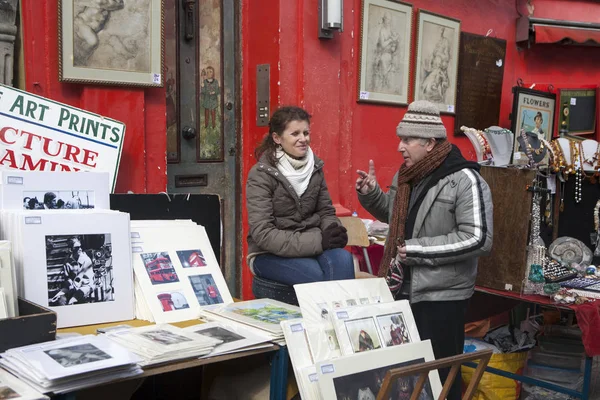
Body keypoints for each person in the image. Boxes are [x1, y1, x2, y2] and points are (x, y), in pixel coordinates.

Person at [355, 100, 493, 400]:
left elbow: (478, 238)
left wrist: (418, 250)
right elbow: (396, 218)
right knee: (407, 380)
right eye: (400, 139)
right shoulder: (407, 176)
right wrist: (371, 194)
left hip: (441, 297)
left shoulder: (465, 179)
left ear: (430, 143)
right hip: (402, 290)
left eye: (407, 140)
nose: (399, 147)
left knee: (441, 380)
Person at [246, 106, 354, 287]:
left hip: (313, 243)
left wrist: (332, 230)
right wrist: (320, 240)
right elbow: (263, 233)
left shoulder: (315, 168)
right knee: (317, 278)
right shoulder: (261, 174)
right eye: (295, 134)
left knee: (343, 259)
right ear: (277, 138)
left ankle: (341, 315)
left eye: (306, 132)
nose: (303, 139)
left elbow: (326, 211)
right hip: (268, 254)